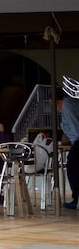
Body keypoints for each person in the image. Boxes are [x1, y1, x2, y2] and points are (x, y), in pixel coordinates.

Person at [62, 75, 79, 210]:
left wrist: (74, 139)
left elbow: (73, 125)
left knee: (73, 169)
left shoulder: (68, 103)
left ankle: (76, 198)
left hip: (78, 141)